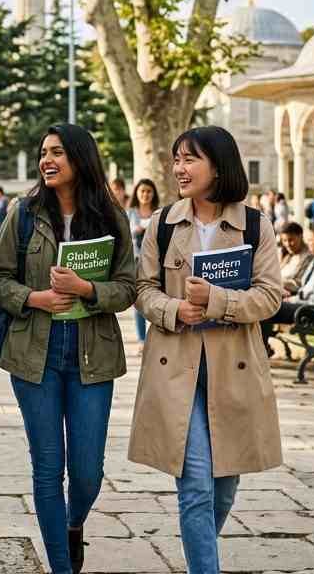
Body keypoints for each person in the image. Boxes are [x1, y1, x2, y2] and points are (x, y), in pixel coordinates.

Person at [130, 125, 283, 574]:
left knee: (224, 489)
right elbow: (142, 289)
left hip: (234, 372)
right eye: (177, 159)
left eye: (190, 159)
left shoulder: (255, 224)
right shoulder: (163, 223)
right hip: (176, 370)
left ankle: (200, 553)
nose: (179, 168)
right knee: (196, 485)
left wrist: (217, 300)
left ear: (218, 166)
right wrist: (175, 308)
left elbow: (270, 296)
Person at [0, 125, 135, 574]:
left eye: (57, 152)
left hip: (93, 357)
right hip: (35, 356)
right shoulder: (24, 212)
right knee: (48, 468)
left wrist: (87, 289)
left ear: (80, 158)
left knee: (88, 472)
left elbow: (128, 288)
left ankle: (74, 522)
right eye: (43, 153)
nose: (46, 161)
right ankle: (60, 567)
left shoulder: (111, 216)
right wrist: (35, 298)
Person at [263, 222, 314, 355]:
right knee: (265, 305)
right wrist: (292, 299)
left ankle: (263, 350)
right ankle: (263, 349)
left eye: (310, 240)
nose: (308, 243)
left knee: (266, 308)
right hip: (307, 308)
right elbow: (307, 290)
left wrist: (296, 299)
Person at [126, 178, 160, 342]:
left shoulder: (158, 213)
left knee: (156, 298)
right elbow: (125, 235)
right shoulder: (130, 213)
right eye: (142, 191)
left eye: (148, 191)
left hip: (155, 262)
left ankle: (157, 337)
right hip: (135, 261)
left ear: (153, 194)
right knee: (138, 299)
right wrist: (137, 230)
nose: (145, 194)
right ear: (137, 193)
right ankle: (142, 339)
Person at [277, 222, 314, 294]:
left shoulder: (309, 257)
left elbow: (300, 283)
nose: (287, 244)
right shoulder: (288, 256)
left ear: (300, 236)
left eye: (291, 240)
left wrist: (277, 283)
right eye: (284, 240)